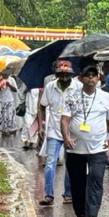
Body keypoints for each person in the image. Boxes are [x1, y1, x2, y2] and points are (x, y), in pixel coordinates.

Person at [58, 64, 109, 217]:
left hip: (98, 148)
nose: (91, 78)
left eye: (94, 75)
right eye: (87, 75)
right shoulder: (72, 96)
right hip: (75, 147)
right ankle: (81, 214)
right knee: (77, 182)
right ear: (81, 78)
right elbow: (64, 120)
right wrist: (66, 137)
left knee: (96, 178)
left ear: (98, 78)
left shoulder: (105, 97)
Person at [38, 61, 75, 207]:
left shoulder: (77, 87)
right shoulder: (50, 87)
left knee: (70, 163)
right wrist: (41, 126)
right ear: (56, 74)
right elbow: (42, 106)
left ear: (71, 74)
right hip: (53, 129)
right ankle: (48, 194)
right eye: (61, 74)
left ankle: (68, 193)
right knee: (50, 163)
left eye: (67, 74)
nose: (64, 77)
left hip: (71, 131)